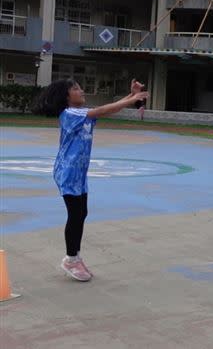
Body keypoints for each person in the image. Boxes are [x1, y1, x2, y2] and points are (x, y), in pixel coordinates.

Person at [33, 78, 149, 281]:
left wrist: (132, 96)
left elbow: (108, 110)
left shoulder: (82, 114)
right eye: (76, 88)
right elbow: (102, 110)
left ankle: (75, 256)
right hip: (68, 172)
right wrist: (133, 99)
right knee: (75, 215)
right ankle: (70, 259)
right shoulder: (69, 114)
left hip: (79, 173)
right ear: (66, 97)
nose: (81, 90)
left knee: (81, 213)